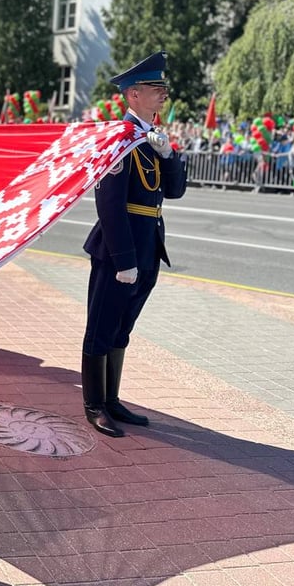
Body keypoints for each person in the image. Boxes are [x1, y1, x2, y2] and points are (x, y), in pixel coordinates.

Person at [81, 51, 187, 438]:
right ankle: (94, 405)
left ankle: (112, 399)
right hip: (118, 251)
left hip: (148, 247)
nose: (163, 94)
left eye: (163, 88)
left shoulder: (151, 139)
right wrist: (124, 259)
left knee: (122, 329)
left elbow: (173, 191)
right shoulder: (119, 139)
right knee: (102, 327)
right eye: (155, 88)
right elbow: (109, 204)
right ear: (132, 95)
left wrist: (169, 155)